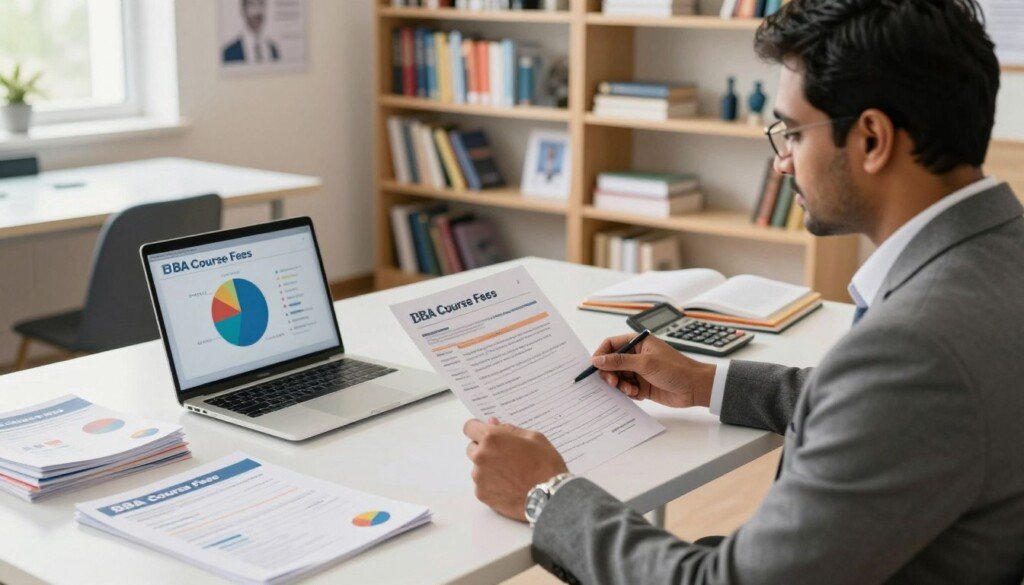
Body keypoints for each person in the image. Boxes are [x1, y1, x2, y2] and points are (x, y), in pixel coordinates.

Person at [463, 0, 1024, 583]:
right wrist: (708, 383)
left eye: (794, 133)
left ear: (872, 139)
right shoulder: (997, 256)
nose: (782, 163)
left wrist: (545, 493)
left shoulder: (917, 348)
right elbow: (885, 413)